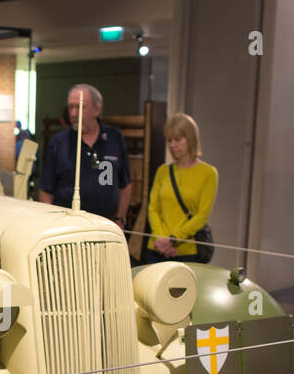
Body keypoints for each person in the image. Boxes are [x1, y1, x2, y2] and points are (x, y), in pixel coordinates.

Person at [36, 84, 131, 228]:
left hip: (107, 226)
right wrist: (50, 224)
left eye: (80, 107)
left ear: (96, 109)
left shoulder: (115, 138)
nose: (73, 113)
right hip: (67, 227)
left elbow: (125, 184)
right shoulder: (59, 142)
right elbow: (45, 190)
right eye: (70, 107)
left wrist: (120, 219)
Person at [141, 112, 218, 264]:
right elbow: (153, 209)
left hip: (186, 251)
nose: (172, 145)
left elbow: (201, 216)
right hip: (156, 248)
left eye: (178, 139)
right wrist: (162, 239)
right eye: (169, 140)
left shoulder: (208, 173)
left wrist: (173, 239)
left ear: (190, 139)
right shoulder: (163, 171)